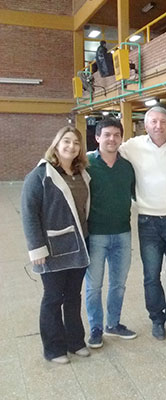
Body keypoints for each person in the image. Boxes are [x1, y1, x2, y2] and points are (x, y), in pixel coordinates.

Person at [119, 106, 166, 340]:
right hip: (148, 222)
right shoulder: (132, 147)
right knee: (151, 276)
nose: (158, 126)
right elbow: (106, 150)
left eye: (163, 121)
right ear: (145, 125)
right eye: (153, 121)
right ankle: (156, 319)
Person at [21, 126, 91, 364]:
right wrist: (36, 248)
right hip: (52, 249)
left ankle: (75, 342)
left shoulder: (81, 174)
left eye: (76, 143)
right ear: (57, 144)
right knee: (53, 298)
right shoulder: (40, 175)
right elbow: (29, 213)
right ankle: (53, 349)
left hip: (79, 246)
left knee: (73, 296)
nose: (71, 146)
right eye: (66, 141)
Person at [85, 118, 137, 349]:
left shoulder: (127, 167)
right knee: (94, 285)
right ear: (97, 137)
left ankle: (113, 324)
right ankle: (95, 328)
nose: (112, 139)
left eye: (116, 135)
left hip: (123, 233)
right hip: (96, 235)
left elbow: (134, 194)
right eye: (107, 134)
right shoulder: (86, 164)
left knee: (118, 284)